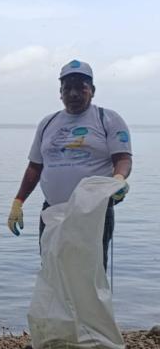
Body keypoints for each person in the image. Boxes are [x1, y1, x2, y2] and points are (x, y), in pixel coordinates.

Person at [8, 59, 132, 270]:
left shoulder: (107, 119)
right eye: (68, 88)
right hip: (53, 211)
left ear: (92, 90)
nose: (73, 94)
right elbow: (35, 167)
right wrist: (18, 201)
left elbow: (122, 158)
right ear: (60, 93)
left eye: (80, 87)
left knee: (90, 274)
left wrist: (118, 179)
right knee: (52, 270)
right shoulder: (48, 123)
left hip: (93, 212)